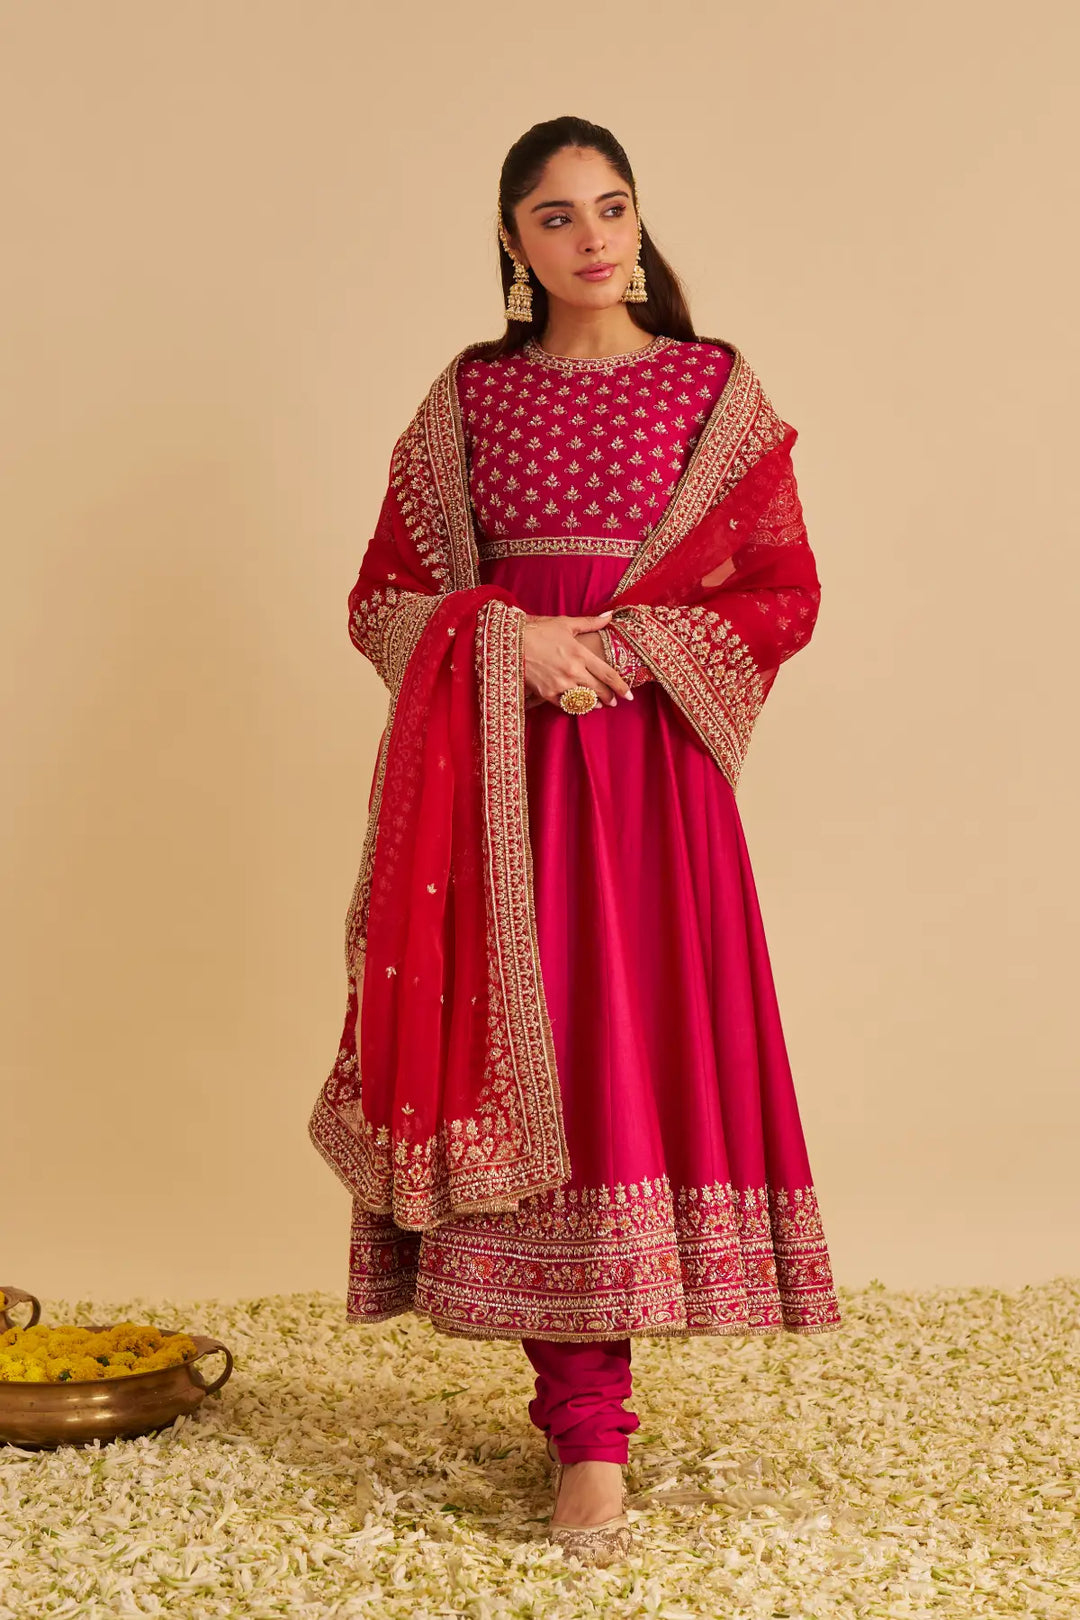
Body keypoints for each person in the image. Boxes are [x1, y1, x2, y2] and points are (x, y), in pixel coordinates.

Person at [310, 115, 842, 1565]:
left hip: (653, 779)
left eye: (613, 208)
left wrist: (634, 645)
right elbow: (380, 600)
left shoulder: (711, 390)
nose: (595, 239)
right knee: (536, 1081)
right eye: (558, 218)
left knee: (621, 1075)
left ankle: (598, 1430)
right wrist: (513, 642)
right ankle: (582, 1434)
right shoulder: (471, 401)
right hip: (500, 784)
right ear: (511, 242)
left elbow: (783, 590)